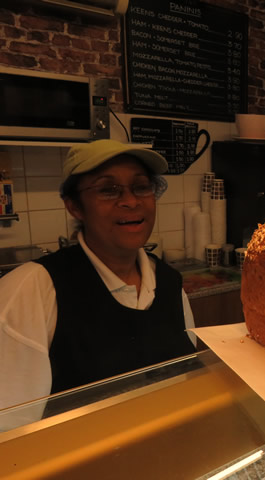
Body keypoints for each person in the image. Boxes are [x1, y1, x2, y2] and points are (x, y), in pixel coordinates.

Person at [0, 140, 197, 423]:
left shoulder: (168, 283)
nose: (130, 201)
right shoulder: (31, 290)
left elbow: (187, 382)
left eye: (141, 186)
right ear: (74, 207)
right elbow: (9, 432)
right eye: (108, 190)